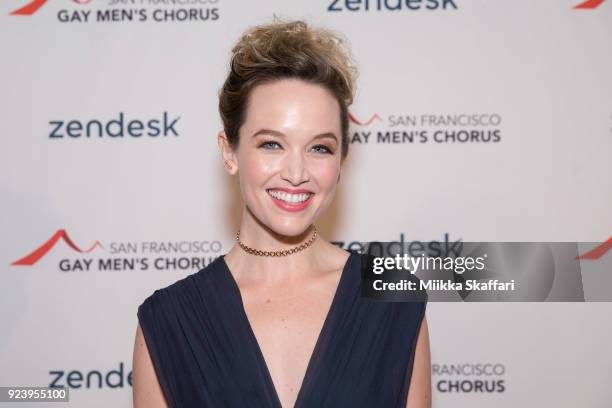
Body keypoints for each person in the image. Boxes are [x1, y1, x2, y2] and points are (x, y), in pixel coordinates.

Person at [132, 18, 431, 408]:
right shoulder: (168, 321)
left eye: (319, 148)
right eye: (272, 144)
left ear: (342, 159)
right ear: (229, 151)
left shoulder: (393, 302)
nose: (296, 174)